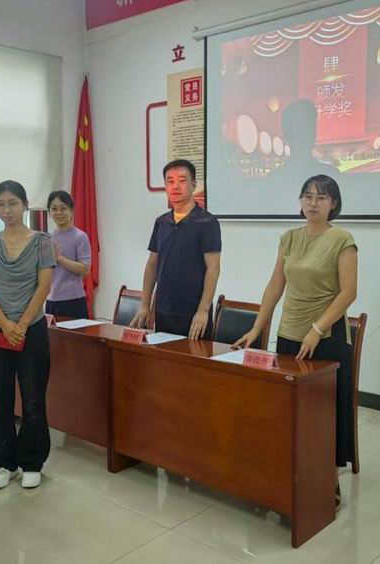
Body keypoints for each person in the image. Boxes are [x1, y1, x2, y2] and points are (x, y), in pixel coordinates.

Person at [233, 174, 358, 509]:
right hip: (289, 336)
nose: (312, 203)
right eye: (307, 196)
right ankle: (288, 472)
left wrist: (317, 328)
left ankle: (329, 480)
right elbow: (275, 286)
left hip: (326, 338)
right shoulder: (288, 238)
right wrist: (257, 328)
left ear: (334, 204)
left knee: (325, 412)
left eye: (321, 197)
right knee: (289, 409)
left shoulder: (343, 240)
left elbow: (348, 293)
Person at [0, 180, 55, 490]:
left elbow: (44, 285)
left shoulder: (42, 242)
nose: (7, 210)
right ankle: (4, 463)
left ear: (24, 205)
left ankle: (32, 462)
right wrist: (5, 324)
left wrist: (21, 324)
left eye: (12, 203)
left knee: (33, 399)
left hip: (31, 330)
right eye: (1, 204)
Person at [130, 159, 221, 339]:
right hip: (164, 310)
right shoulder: (161, 222)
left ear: (193, 185)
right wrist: (145, 305)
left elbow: (213, 268)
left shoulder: (207, 222)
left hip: (194, 313)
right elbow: (152, 265)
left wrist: (203, 310)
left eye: (182, 180)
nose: (175, 186)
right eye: (170, 181)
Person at [45, 190, 91, 319]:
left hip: (74, 300)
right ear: (49, 213)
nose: (58, 212)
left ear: (72, 211)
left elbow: (85, 269)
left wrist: (59, 258)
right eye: (54, 209)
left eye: (63, 208)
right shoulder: (47, 238)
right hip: (51, 299)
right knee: (51, 333)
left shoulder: (80, 237)